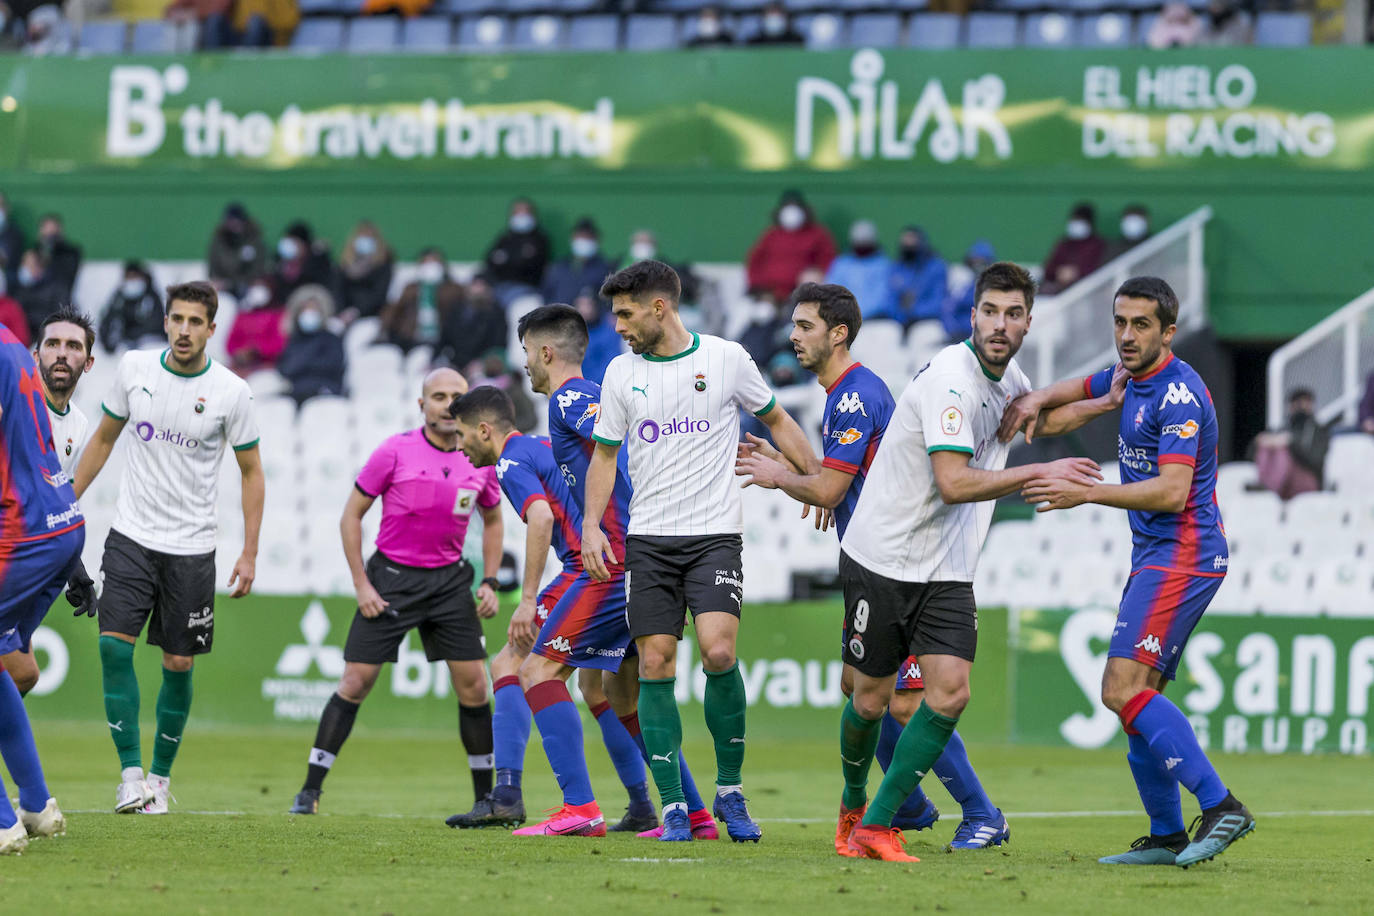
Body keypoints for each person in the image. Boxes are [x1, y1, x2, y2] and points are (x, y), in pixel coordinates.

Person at [819, 262, 1104, 861]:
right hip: (885, 557)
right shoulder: (952, 377)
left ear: (1029, 320)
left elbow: (1034, 418)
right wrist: (1041, 471)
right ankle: (852, 805)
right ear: (972, 315)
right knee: (869, 700)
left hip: (946, 566)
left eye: (1014, 313)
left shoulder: (1006, 375)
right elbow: (951, 481)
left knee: (947, 694)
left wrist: (1105, 400)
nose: (1001, 324)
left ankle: (877, 823)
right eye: (991, 312)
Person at [735, 282, 1011, 850]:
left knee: (904, 700)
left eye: (805, 326)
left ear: (838, 334)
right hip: (871, 564)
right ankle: (906, 804)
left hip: (905, 566)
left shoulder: (858, 395)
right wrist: (786, 462)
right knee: (858, 687)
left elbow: (831, 489)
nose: (793, 336)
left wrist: (778, 478)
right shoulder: (846, 395)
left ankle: (980, 811)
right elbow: (834, 476)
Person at [1002, 275, 1254, 868]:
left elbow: (1171, 492)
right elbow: (1080, 386)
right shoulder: (1130, 375)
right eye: (1119, 322)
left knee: (1119, 690)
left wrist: (1086, 496)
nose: (1126, 335)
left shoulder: (1179, 395)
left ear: (1169, 332)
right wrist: (1039, 398)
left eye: (1140, 325)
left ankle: (1221, 806)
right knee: (1139, 704)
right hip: (1156, 556)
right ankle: (1168, 836)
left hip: (1184, 553)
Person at [582, 260, 819, 842]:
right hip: (650, 543)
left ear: (659, 307)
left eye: (625, 314)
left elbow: (778, 418)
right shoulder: (619, 374)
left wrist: (817, 481)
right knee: (656, 664)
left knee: (718, 653)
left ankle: (731, 791)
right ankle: (672, 809)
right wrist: (592, 524)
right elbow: (605, 457)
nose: (618, 326)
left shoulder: (725, 358)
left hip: (714, 536)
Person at [507, 304, 714, 839]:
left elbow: (619, 441)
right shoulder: (585, 397)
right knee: (622, 696)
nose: (525, 363)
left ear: (545, 352)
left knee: (536, 672)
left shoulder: (572, 396)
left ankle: (580, 808)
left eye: (527, 352)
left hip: (613, 558)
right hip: (632, 553)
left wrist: (601, 523)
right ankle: (694, 814)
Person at [74, 281, 265, 816]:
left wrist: (249, 552)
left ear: (211, 327)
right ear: (165, 321)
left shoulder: (232, 392)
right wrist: (65, 504)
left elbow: (252, 473)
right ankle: (129, 775)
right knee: (113, 646)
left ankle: (159, 780)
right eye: (176, 319)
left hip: (192, 547)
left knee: (178, 662)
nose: (184, 329)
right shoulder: (135, 369)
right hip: (132, 535)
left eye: (195, 322)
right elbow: (105, 440)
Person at [450, 387, 665, 837]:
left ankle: (508, 796)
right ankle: (655, 805)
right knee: (601, 688)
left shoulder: (510, 459)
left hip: (587, 568)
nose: (459, 445)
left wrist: (527, 601)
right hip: (626, 562)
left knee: (512, 662)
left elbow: (542, 518)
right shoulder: (545, 446)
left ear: (484, 430)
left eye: (462, 435)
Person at [288, 368, 503, 817]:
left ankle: (486, 799)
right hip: (390, 580)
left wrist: (489, 580)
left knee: (475, 687)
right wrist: (362, 584)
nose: (447, 404)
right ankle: (309, 790)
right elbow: (351, 516)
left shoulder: (479, 459)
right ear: (421, 405)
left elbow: (494, 519)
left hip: (448, 582)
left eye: (456, 396)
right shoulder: (394, 450)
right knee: (355, 682)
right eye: (438, 396)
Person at [0, 315, 87, 854]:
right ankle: (34, 804)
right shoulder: (9, 341)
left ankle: (3, 822)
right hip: (62, 523)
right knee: (11, 663)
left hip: (22, 530)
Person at [0, 307, 97, 699]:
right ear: (35, 354)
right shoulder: (14, 401)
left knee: (22, 675)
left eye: (72, 346)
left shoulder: (78, 425)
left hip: (23, 546)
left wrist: (76, 569)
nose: (61, 353)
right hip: (10, 544)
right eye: (52, 344)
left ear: (87, 362)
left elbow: (55, 504)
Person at [746, 190, 836, 304]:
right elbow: (754, 262)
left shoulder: (818, 234)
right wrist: (760, 288)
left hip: (802, 296)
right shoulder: (771, 235)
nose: (792, 212)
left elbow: (828, 262)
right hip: (769, 295)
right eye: (788, 207)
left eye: (795, 207)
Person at [1252, 387, 1331, 499]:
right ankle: (1266, 486)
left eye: (1305, 402)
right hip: (1284, 482)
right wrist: (1261, 441)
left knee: (1282, 450)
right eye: (1297, 403)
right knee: (1266, 445)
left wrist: (1290, 443)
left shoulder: (1319, 431)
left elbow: (1315, 461)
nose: (1301, 406)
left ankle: (1268, 490)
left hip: (1308, 480)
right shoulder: (1282, 428)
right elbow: (1251, 455)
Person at [381, 248, 462, 353]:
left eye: (434, 262)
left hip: (441, 340)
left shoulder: (454, 288)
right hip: (411, 337)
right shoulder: (411, 288)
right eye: (426, 262)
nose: (430, 266)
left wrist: (432, 289)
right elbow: (394, 310)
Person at [277, 284, 346, 405]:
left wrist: (301, 363)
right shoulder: (294, 340)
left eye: (313, 309)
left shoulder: (331, 339)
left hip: (323, 391)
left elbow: (332, 366)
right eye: (305, 309)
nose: (309, 313)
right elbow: (285, 369)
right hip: (296, 392)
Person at [437, 274, 507, 376]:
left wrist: (482, 362)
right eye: (475, 284)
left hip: (483, 365)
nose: (477, 289)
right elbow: (444, 339)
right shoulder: (457, 309)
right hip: (455, 362)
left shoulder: (496, 313)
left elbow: (498, 344)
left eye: (481, 285)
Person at [483, 198, 549, 303]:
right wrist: (518, 257)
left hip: (527, 288)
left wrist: (506, 258)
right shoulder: (505, 238)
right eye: (517, 212)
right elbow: (489, 260)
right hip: (500, 286)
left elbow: (530, 266)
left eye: (524, 212)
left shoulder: (540, 239)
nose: (521, 216)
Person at [881, 225, 948, 328]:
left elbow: (938, 302)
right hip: (899, 321)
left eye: (912, 240)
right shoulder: (896, 267)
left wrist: (914, 313)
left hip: (926, 321)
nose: (908, 244)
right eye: (905, 240)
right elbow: (889, 300)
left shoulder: (935, 267)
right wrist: (901, 315)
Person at [823, 221, 892, 319]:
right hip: (842, 318)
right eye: (859, 241)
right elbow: (831, 291)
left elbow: (882, 298)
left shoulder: (883, 266)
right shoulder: (841, 264)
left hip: (874, 320)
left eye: (865, 241)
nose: (862, 245)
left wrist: (859, 315)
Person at [542, 218, 615, 308]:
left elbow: (610, 301)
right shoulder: (558, 266)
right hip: (557, 317)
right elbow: (545, 294)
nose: (583, 241)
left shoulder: (605, 268)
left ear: (596, 240)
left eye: (588, 237)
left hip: (590, 320)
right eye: (580, 237)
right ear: (573, 238)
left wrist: (596, 308)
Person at [98, 261, 165, 354]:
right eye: (129, 277)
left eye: (135, 277)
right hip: (124, 347)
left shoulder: (151, 298)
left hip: (148, 346)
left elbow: (156, 324)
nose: (132, 281)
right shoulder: (119, 298)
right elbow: (107, 323)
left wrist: (133, 337)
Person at [1040, 203, 1106, 295]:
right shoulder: (1064, 243)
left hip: (1086, 290)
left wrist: (1076, 273)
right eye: (1075, 220)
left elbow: (1101, 270)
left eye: (1081, 220)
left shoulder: (1098, 245)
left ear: (1089, 224)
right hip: (1058, 288)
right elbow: (1048, 267)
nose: (1076, 224)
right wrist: (1058, 272)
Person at [224, 279, 287, 376]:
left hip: (266, 367)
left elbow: (279, 344)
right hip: (240, 365)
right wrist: (240, 353)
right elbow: (230, 343)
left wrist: (256, 350)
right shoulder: (243, 315)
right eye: (255, 286)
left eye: (262, 286)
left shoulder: (277, 315)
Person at [206, 202, 267, 298]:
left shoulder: (254, 241)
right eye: (231, 220)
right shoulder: (219, 242)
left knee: (259, 294)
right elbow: (213, 269)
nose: (234, 224)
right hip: (225, 288)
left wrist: (244, 282)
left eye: (237, 220)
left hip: (248, 286)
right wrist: (220, 282)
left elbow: (260, 268)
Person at [337, 221, 393, 323]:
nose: (364, 240)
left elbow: (378, 295)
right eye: (361, 236)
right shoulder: (344, 265)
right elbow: (337, 291)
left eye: (369, 237)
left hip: (371, 316)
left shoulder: (383, 265)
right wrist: (341, 312)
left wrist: (356, 311)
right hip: (342, 315)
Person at [941, 240, 995, 342]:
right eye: (975, 261)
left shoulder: (996, 288)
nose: (978, 266)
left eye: (982, 262)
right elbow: (947, 310)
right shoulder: (962, 285)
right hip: (958, 335)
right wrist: (953, 330)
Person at [272, 221, 334, 302]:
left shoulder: (319, 267)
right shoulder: (278, 264)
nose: (290, 246)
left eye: (295, 242)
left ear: (305, 245)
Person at [13, 249, 64, 340]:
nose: (24, 268)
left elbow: (59, 318)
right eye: (23, 263)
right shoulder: (22, 288)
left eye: (28, 264)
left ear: (39, 267)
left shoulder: (56, 289)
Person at [34, 214, 80, 298]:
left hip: (58, 298)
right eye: (47, 229)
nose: (50, 233)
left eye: (53, 229)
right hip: (36, 297)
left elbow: (65, 277)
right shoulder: (35, 251)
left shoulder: (70, 253)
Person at [0, 191, 24, 289]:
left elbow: (4, 259)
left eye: (0, 205)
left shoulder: (14, 233)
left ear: (7, 209)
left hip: (8, 282)